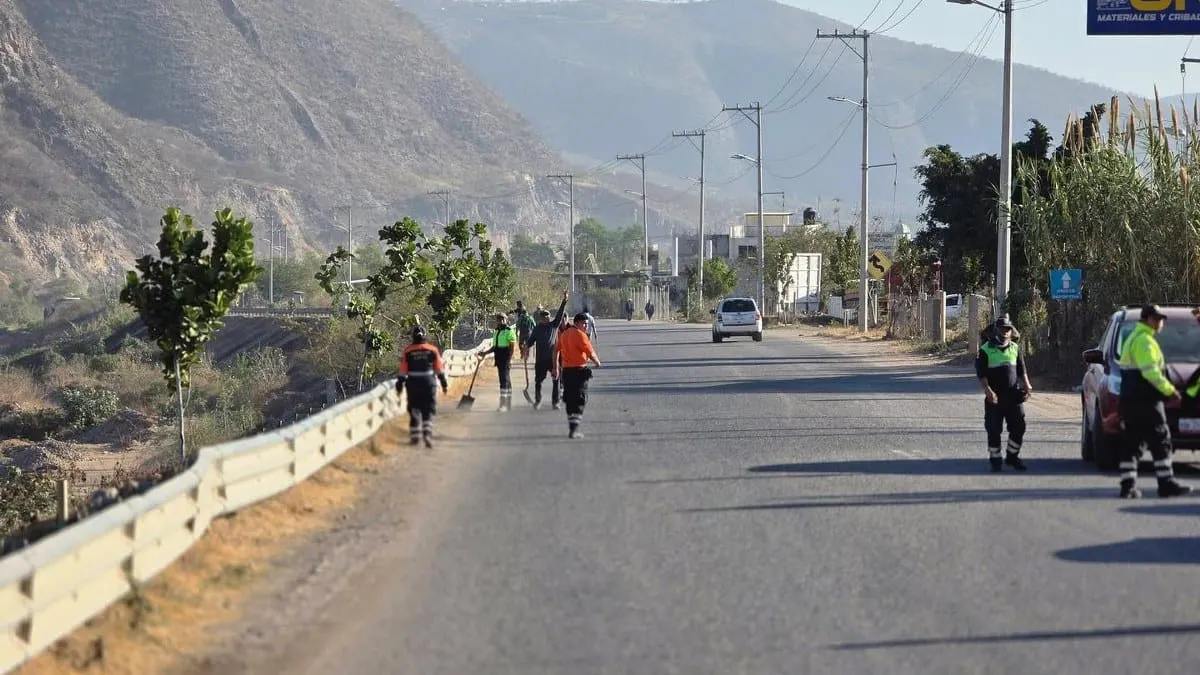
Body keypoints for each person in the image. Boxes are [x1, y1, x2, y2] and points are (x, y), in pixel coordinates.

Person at [1115, 304, 1193, 499]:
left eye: (1161, 320)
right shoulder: (1145, 341)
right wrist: (1171, 391)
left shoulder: (1133, 337)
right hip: (1147, 402)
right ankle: (1166, 484)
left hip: (1130, 401)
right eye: (1157, 319)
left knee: (1132, 443)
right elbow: (1152, 374)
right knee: (1161, 440)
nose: (1160, 323)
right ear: (1147, 319)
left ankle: (1127, 486)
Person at [976, 316, 1031, 472]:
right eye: (1002, 329)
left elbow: (1021, 369)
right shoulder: (986, 349)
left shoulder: (1015, 348)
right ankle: (995, 459)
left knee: (1019, 427)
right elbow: (981, 373)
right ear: (996, 330)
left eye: (1008, 329)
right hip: (995, 396)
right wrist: (988, 391)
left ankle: (1012, 457)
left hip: (1013, 395)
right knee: (993, 429)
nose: (1005, 332)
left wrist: (1027, 385)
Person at [396, 325, 448, 448]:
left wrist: (399, 385)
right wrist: (444, 383)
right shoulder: (432, 349)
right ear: (425, 335)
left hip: (413, 383)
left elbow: (403, 371)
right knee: (428, 408)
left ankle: (415, 437)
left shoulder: (408, 351)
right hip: (429, 383)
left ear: (413, 336)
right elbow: (439, 369)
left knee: (414, 408)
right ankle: (427, 434)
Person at [555, 312, 601, 438]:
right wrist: (597, 362)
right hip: (579, 372)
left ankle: (572, 428)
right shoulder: (581, 335)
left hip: (567, 372)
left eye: (586, 324)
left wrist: (556, 367)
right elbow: (590, 352)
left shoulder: (563, 335)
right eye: (583, 323)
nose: (585, 326)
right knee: (581, 398)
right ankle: (574, 428)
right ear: (576, 323)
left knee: (570, 398)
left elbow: (555, 350)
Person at [525, 291, 570, 409]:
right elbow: (530, 342)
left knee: (556, 381)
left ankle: (555, 402)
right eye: (543, 316)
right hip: (540, 360)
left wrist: (564, 301)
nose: (545, 318)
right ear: (540, 318)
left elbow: (560, 314)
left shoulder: (554, 325)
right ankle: (538, 401)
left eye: (547, 316)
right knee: (538, 382)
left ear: (549, 317)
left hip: (553, 359)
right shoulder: (537, 329)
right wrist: (526, 350)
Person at [479, 313, 518, 411]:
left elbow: (512, 347)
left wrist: (509, 360)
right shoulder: (496, 331)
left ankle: (503, 404)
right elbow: (495, 347)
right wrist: (485, 353)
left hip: (505, 357)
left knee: (503, 381)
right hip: (498, 357)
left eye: (502, 319)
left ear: (506, 320)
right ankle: (508, 403)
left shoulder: (509, 331)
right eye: (498, 319)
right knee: (506, 381)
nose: (500, 321)